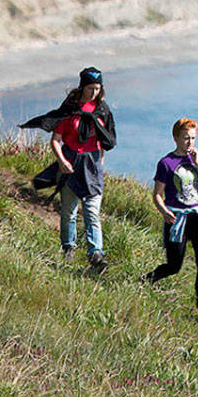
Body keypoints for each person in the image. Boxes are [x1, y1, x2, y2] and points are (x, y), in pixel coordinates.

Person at [144, 118, 198, 317]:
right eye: (186, 138)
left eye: (193, 138)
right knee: (174, 266)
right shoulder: (166, 163)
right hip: (177, 219)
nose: (190, 143)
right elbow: (157, 194)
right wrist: (164, 211)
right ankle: (147, 280)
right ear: (175, 137)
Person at [50, 67, 116, 272]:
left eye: (97, 88)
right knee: (69, 211)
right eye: (90, 88)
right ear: (82, 87)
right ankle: (68, 248)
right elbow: (55, 140)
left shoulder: (102, 110)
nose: (94, 93)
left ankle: (96, 254)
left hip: (92, 166)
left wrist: (100, 162)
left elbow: (106, 140)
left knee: (92, 212)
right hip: (70, 165)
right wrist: (61, 161)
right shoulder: (69, 109)